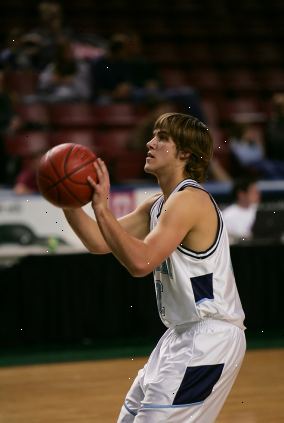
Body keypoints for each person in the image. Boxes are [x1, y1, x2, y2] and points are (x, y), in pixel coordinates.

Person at [63, 113, 246, 422]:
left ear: (185, 153)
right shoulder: (157, 204)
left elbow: (141, 262)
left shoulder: (191, 200)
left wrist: (102, 209)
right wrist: (66, 199)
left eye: (162, 137)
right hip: (179, 335)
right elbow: (98, 240)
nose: (150, 143)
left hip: (209, 337)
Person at [222, 177, 261, 244]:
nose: (258, 195)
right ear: (241, 194)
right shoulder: (227, 215)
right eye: (253, 192)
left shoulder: (260, 210)